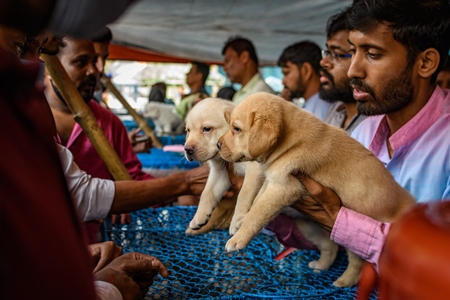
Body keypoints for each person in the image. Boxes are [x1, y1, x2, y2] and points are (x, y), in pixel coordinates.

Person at [0, 0, 174, 298]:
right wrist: (107, 288)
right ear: (55, 68)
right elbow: (79, 192)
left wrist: (90, 267)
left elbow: (130, 176)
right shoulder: (19, 110)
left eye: (100, 60)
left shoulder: (104, 122)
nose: (97, 70)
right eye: (25, 47)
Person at [292, 0, 450, 276]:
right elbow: (332, 239)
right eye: (352, 51)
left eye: (373, 54)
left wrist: (339, 221)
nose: (354, 70)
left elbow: (440, 266)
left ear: (425, 63)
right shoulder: (364, 132)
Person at [319, 8, 366, 132]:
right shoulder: (336, 109)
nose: (324, 62)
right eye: (327, 52)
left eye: (337, 53)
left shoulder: (377, 121)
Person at [277, 41, 333, 120]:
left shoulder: (319, 110)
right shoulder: (313, 106)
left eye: (286, 73)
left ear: (306, 70)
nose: (283, 81)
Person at [221, 36, 275, 104]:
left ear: (244, 57)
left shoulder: (261, 94)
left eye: (227, 61)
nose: (224, 68)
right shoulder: (241, 92)